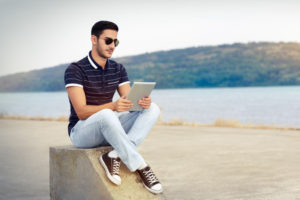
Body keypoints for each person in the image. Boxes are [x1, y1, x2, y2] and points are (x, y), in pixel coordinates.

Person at [64, 20, 163, 194]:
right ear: (94, 39)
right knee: (107, 114)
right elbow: (81, 112)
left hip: (109, 126)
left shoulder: (118, 68)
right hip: (82, 132)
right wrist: (113, 106)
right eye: (108, 41)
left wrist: (141, 103)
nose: (112, 46)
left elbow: (129, 103)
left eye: (115, 42)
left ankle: (115, 155)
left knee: (152, 108)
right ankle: (140, 165)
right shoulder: (75, 69)